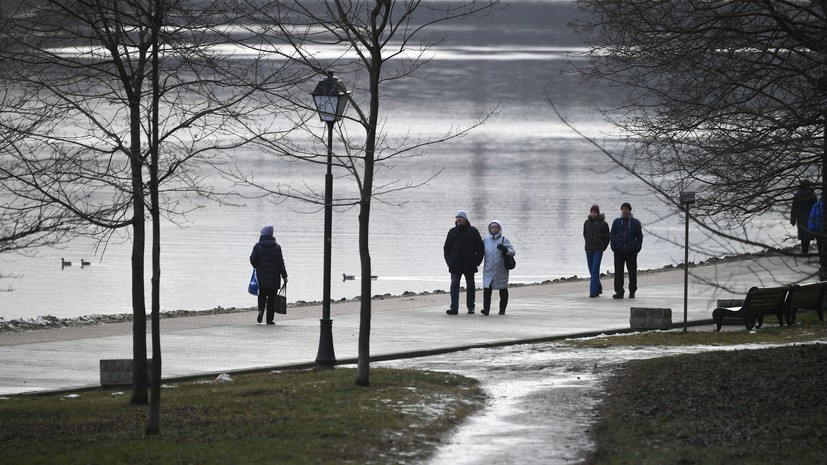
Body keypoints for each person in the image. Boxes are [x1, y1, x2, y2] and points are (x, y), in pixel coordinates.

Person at [443, 210, 484, 315]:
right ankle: (454, 308)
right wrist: (449, 261)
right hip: (455, 265)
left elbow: (480, 248)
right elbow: (446, 248)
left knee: (470, 286)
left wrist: (477, 262)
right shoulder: (452, 231)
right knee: (454, 285)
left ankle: (471, 307)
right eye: (457, 217)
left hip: (469, 264)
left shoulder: (473, 231)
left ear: (465, 219)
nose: (459, 219)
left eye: (461, 217)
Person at [250, 225, 288, 325]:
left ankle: (261, 310)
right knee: (272, 300)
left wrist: (256, 266)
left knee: (261, 296)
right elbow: (281, 263)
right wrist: (284, 276)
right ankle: (269, 320)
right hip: (274, 278)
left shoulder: (257, 246)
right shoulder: (277, 247)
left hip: (261, 277)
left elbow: (252, 259)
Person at [481, 220, 515, 315]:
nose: (494, 229)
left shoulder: (504, 240)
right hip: (488, 269)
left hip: (501, 269)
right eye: (492, 227)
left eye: (496, 228)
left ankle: (502, 309)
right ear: (490, 229)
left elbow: (512, 252)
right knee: (487, 289)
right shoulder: (485, 240)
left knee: (503, 289)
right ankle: (486, 309)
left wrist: (505, 249)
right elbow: (479, 252)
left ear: (499, 229)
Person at [610, 202, 643, 299]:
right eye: (623, 209)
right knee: (618, 272)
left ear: (629, 210)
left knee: (632, 272)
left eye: (626, 209)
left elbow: (639, 236)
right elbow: (612, 234)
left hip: (631, 250)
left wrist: (637, 248)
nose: (624, 211)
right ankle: (619, 291)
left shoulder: (635, 223)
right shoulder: (617, 222)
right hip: (619, 250)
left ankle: (632, 291)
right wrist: (613, 246)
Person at [583, 204, 610, 298]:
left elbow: (607, 238)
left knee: (595, 270)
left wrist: (603, 247)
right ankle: (598, 288)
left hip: (598, 250)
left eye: (594, 212)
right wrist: (587, 243)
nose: (593, 214)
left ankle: (593, 291)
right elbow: (585, 234)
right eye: (591, 212)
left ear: (598, 213)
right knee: (591, 270)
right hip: (588, 249)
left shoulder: (603, 224)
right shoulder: (587, 222)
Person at [791, 180, 818, 254]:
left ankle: (804, 249)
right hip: (810, 216)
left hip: (800, 217)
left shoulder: (797, 194)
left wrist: (793, 219)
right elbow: (816, 206)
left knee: (803, 233)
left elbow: (794, 207)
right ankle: (806, 249)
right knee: (809, 233)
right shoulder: (811, 194)